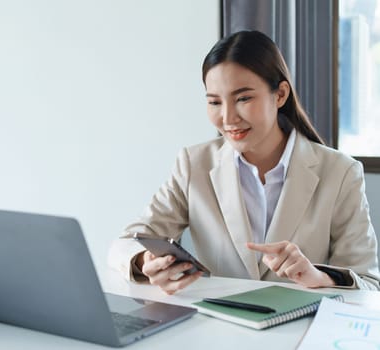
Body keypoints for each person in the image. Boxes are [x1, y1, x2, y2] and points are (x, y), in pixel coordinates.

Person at [107, 30, 380, 293]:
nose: (227, 118)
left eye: (243, 98)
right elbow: (125, 243)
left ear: (280, 94)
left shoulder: (341, 172)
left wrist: (319, 276)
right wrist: (146, 262)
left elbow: (368, 283)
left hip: (301, 334)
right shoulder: (194, 164)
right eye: (215, 102)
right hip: (218, 332)